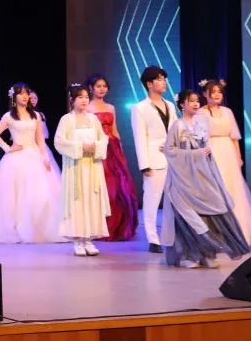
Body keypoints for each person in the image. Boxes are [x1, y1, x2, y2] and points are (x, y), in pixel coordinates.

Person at [162, 90, 249, 268]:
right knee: (188, 216)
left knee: (209, 213)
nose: (196, 104)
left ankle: (208, 254)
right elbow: (170, 150)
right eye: (191, 101)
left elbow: (205, 146)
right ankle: (189, 256)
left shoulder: (202, 123)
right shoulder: (177, 125)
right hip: (183, 177)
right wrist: (195, 154)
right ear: (182, 105)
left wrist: (207, 152)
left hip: (202, 174)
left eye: (197, 100)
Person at [0, 83, 62, 243]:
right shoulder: (9, 116)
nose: (25, 96)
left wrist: (45, 156)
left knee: (40, 194)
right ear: (14, 97)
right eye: (21, 94)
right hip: (16, 158)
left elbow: (40, 139)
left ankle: (38, 230)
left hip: (34, 155)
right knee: (14, 196)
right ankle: (18, 229)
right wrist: (8, 148)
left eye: (26, 93)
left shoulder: (35, 115)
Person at [197, 79, 251, 246]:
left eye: (219, 91)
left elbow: (234, 137)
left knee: (234, 190)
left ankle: (239, 233)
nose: (217, 95)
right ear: (205, 94)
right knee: (217, 191)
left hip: (228, 153)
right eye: (213, 92)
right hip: (212, 152)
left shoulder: (227, 112)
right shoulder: (201, 113)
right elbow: (199, 139)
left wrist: (238, 157)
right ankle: (218, 235)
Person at [55, 84, 111, 256]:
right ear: (72, 100)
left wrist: (95, 146)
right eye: (80, 97)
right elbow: (59, 142)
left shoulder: (93, 119)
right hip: (76, 167)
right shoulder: (66, 120)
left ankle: (88, 240)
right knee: (77, 200)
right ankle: (78, 241)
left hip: (92, 167)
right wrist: (80, 147)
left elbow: (104, 139)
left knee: (92, 199)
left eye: (86, 97)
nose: (84, 100)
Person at [87, 73, 138, 242]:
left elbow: (114, 129)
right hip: (97, 148)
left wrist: (120, 147)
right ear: (91, 88)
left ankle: (119, 226)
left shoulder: (110, 107)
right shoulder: (87, 107)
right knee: (103, 184)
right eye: (98, 86)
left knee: (119, 186)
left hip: (112, 148)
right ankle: (100, 226)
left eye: (104, 86)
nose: (102, 89)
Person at [131, 65, 177, 253]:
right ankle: (152, 238)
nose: (163, 82)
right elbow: (139, 137)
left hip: (172, 159)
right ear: (149, 84)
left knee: (174, 200)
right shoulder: (140, 108)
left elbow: (175, 130)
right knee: (152, 200)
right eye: (159, 79)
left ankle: (172, 237)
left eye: (164, 79)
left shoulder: (170, 105)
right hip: (153, 160)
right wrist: (144, 165)